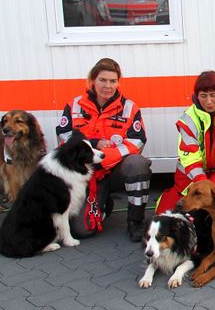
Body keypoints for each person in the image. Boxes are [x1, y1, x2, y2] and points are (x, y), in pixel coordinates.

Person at [56, 58, 151, 242]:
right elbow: (64, 138)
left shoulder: (129, 108)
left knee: (137, 164)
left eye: (113, 81)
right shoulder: (74, 105)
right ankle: (105, 205)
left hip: (114, 171)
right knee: (81, 231)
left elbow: (136, 142)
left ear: (118, 82)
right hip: (85, 176)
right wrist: (93, 144)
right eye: (103, 80)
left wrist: (104, 158)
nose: (108, 86)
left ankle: (135, 222)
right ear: (93, 80)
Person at [155, 71, 215, 214]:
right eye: (203, 96)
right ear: (196, 96)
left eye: (213, 95)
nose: (209, 101)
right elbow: (190, 159)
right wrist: (201, 186)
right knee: (166, 212)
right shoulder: (188, 119)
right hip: (191, 174)